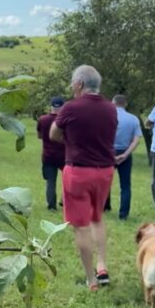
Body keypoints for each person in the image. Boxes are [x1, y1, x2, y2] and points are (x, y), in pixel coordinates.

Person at [49, 65, 117, 291]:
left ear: (79, 84)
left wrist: (70, 141)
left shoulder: (71, 108)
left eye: (72, 83)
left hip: (78, 171)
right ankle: (102, 265)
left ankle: (91, 280)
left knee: (80, 225)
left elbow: (53, 133)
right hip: (105, 171)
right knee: (97, 217)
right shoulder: (111, 108)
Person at [109, 95, 143, 220]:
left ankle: (105, 206)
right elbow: (136, 140)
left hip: (109, 152)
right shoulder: (133, 119)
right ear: (125, 104)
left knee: (105, 181)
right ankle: (123, 214)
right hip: (125, 152)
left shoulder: (108, 116)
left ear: (112, 103)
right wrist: (125, 154)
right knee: (125, 185)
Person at [37, 96, 66, 211]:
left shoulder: (43, 119)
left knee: (50, 182)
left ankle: (51, 205)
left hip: (48, 155)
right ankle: (64, 201)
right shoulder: (65, 120)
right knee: (67, 181)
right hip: (65, 155)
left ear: (51, 106)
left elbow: (39, 135)